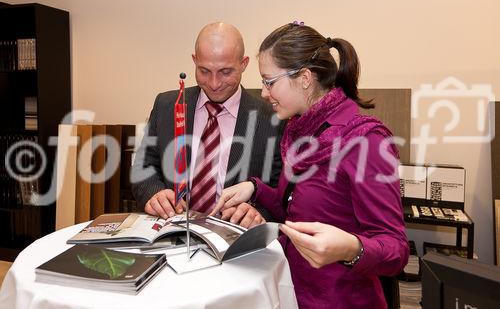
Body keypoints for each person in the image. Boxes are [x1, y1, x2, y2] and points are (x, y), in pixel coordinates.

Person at [211, 22, 409, 308]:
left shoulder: (365, 140)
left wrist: (351, 248)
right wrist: (254, 188)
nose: (264, 93)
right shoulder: (299, 131)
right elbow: (297, 214)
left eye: (269, 81)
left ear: (304, 77)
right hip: (291, 291)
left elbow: (396, 250)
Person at [132, 22, 284, 228]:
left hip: (236, 239)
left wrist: (258, 212)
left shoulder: (273, 116)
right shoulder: (167, 105)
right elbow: (144, 167)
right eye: (204, 71)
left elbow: (280, 190)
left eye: (225, 72)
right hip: (173, 232)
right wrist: (154, 193)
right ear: (194, 61)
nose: (214, 83)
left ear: (244, 64)